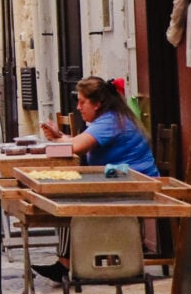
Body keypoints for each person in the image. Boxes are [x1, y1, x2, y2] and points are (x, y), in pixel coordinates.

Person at [32, 76, 160, 282]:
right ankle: (67, 261)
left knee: (67, 199)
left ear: (97, 104)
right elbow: (77, 141)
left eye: (82, 102)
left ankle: (65, 263)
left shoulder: (110, 121)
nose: (78, 107)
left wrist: (54, 144)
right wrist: (59, 137)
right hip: (122, 177)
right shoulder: (110, 118)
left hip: (132, 182)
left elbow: (75, 147)